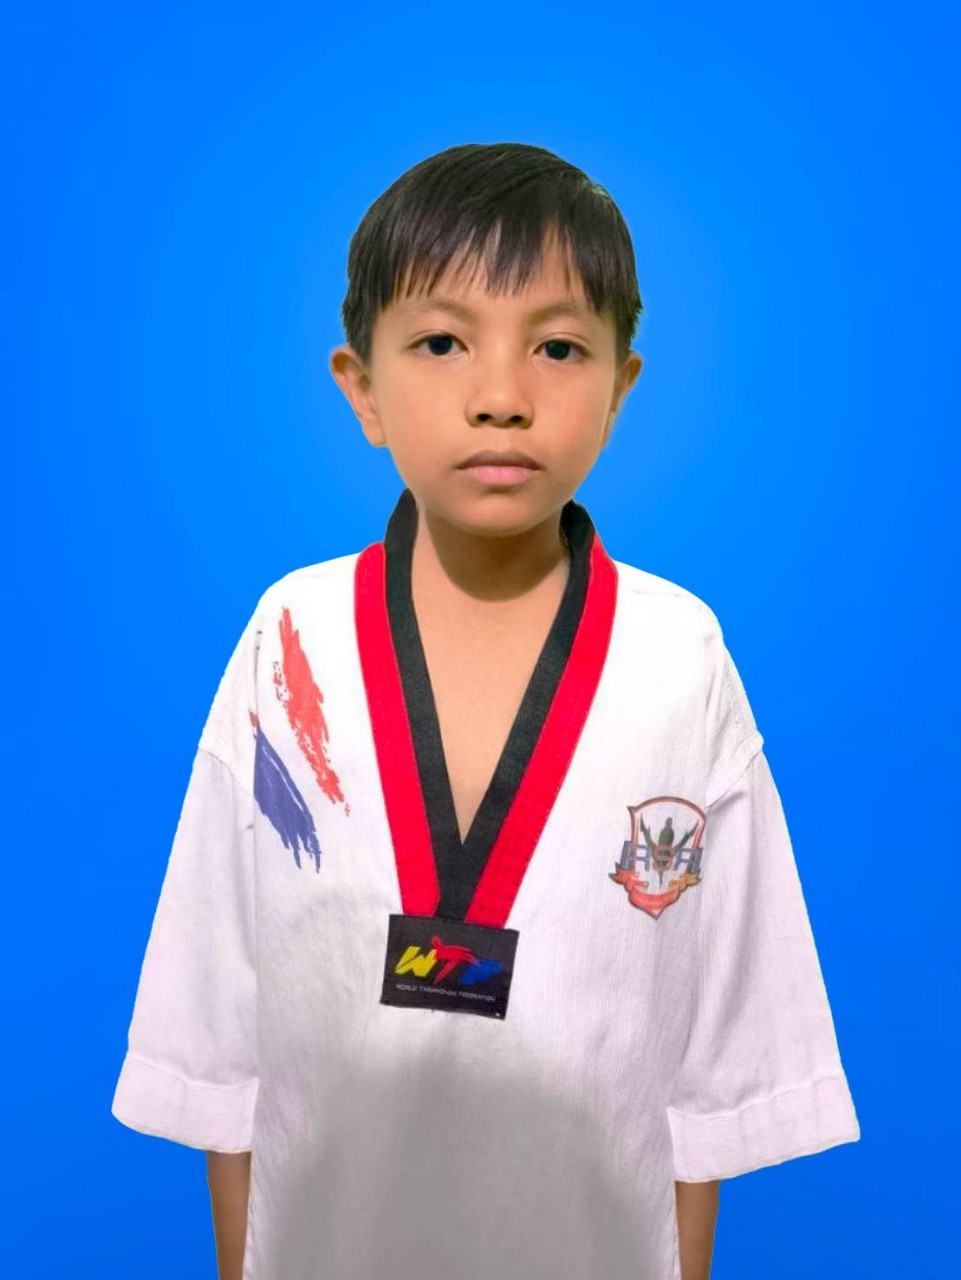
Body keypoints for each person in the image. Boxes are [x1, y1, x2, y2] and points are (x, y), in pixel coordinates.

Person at [110, 141, 860, 1280]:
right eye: (441, 342)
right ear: (361, 387)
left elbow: (710, 1081)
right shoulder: (289, 639)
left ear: (621, 387)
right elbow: (220, 1048)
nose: (502, 397)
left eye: (557, 348)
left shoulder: (679, 654)